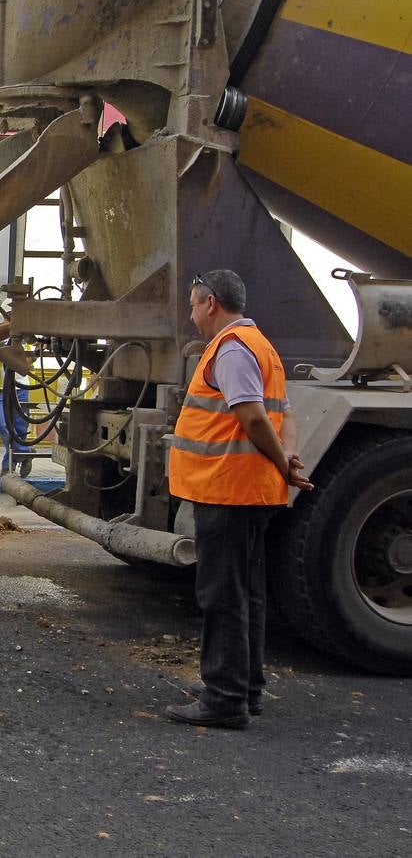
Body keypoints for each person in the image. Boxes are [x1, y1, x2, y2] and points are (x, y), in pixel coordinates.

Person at [165, 270, 311, 730]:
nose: (191, 316)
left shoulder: (231, 349)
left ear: (211, 302)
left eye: (192, 305)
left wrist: (283, 463)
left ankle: (225, 699)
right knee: (247, 591)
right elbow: (283, 415)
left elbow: (251, 416)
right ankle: (244, 686)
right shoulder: (261, 345)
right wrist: (286, 456)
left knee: (222, 595)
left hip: (227, 489)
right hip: (248, 489)